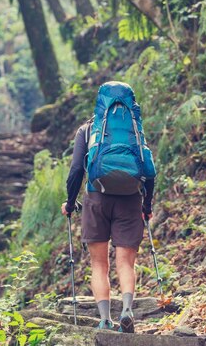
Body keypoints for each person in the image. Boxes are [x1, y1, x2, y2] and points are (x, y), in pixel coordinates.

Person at [61, 81, 155, 333]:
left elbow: (77, 170)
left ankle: (104, 320)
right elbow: (149, 170)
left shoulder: (88, 129)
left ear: (100, 102)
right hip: (130, 200)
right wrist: (147, 205)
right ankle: (126, 309)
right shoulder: (134, 128)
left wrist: (70, 203)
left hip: (96, 199)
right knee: (126, 263)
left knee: (99, 264)